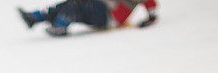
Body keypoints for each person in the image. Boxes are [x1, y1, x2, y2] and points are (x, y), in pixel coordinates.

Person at [17, 0, 159, 36]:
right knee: (73, 2)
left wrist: (151, 17)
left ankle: (60, 25)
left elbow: (150, 3)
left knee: (77, 4)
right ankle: (35, 17)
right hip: (101, 10)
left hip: (109, 17)